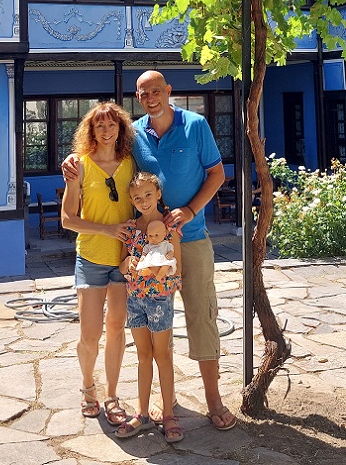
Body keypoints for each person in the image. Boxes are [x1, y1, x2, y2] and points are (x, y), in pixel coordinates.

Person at [63, 70, 235, 431]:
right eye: (143, 93)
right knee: (157, 329)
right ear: (137, 98)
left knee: (201, 318)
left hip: (191, 240)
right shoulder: (135, 135)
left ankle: (213, 400)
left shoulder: (195, 125)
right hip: (147, 253)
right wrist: (71, 162)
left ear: (168, 91)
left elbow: (217, 174)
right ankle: (164, 401)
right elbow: (99, 154)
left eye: (157, 90)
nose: (151, 97)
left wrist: (189, 211)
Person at [59, 101, 136, 427]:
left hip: (122, 261)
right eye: (99, 125)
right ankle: (89, 388)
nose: (106, 130)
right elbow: (67, 219)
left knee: (117, 329)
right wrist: (106, 229)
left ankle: (112, 395)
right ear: (91, 130)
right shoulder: (80, 166)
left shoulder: (130, 163)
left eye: (111, 125)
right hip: (90, 258)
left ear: (120, 129)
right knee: (90, 334)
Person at [113, 172, 184, 442]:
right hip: (135, 301)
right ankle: (142, 413)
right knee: (143, 355)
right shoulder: (130, 230)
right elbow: (122, 266)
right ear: (131, 200)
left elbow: (177, 269)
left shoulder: (169, 230)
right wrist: (129, 265)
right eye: (137, 197)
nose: (143, 201)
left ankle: (168, 414)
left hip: (160, 300)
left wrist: (157, 271)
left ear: (158, 195)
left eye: (148, 195)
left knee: (162, 355)